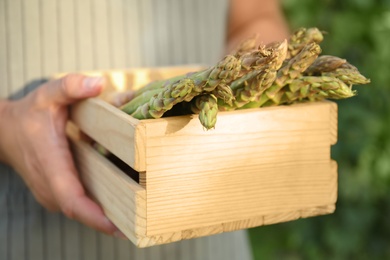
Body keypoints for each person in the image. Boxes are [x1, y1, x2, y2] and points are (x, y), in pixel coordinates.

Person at [0, 0, 288, 259]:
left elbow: (255, 18)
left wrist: (253, 73)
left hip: (211, 241)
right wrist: (8, 126)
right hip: (36, 237)